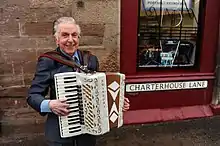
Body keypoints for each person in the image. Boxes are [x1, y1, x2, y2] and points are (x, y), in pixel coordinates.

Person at [27, 16, 130, 146]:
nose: (70, 40)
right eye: (65, 35)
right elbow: (33, 96)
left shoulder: (90, 59)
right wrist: (50, 105)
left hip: (88, 132)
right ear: (57, 39)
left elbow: (100, 89)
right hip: (60, 131)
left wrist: (118, 101)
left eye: (74, 35)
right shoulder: (48, 61)